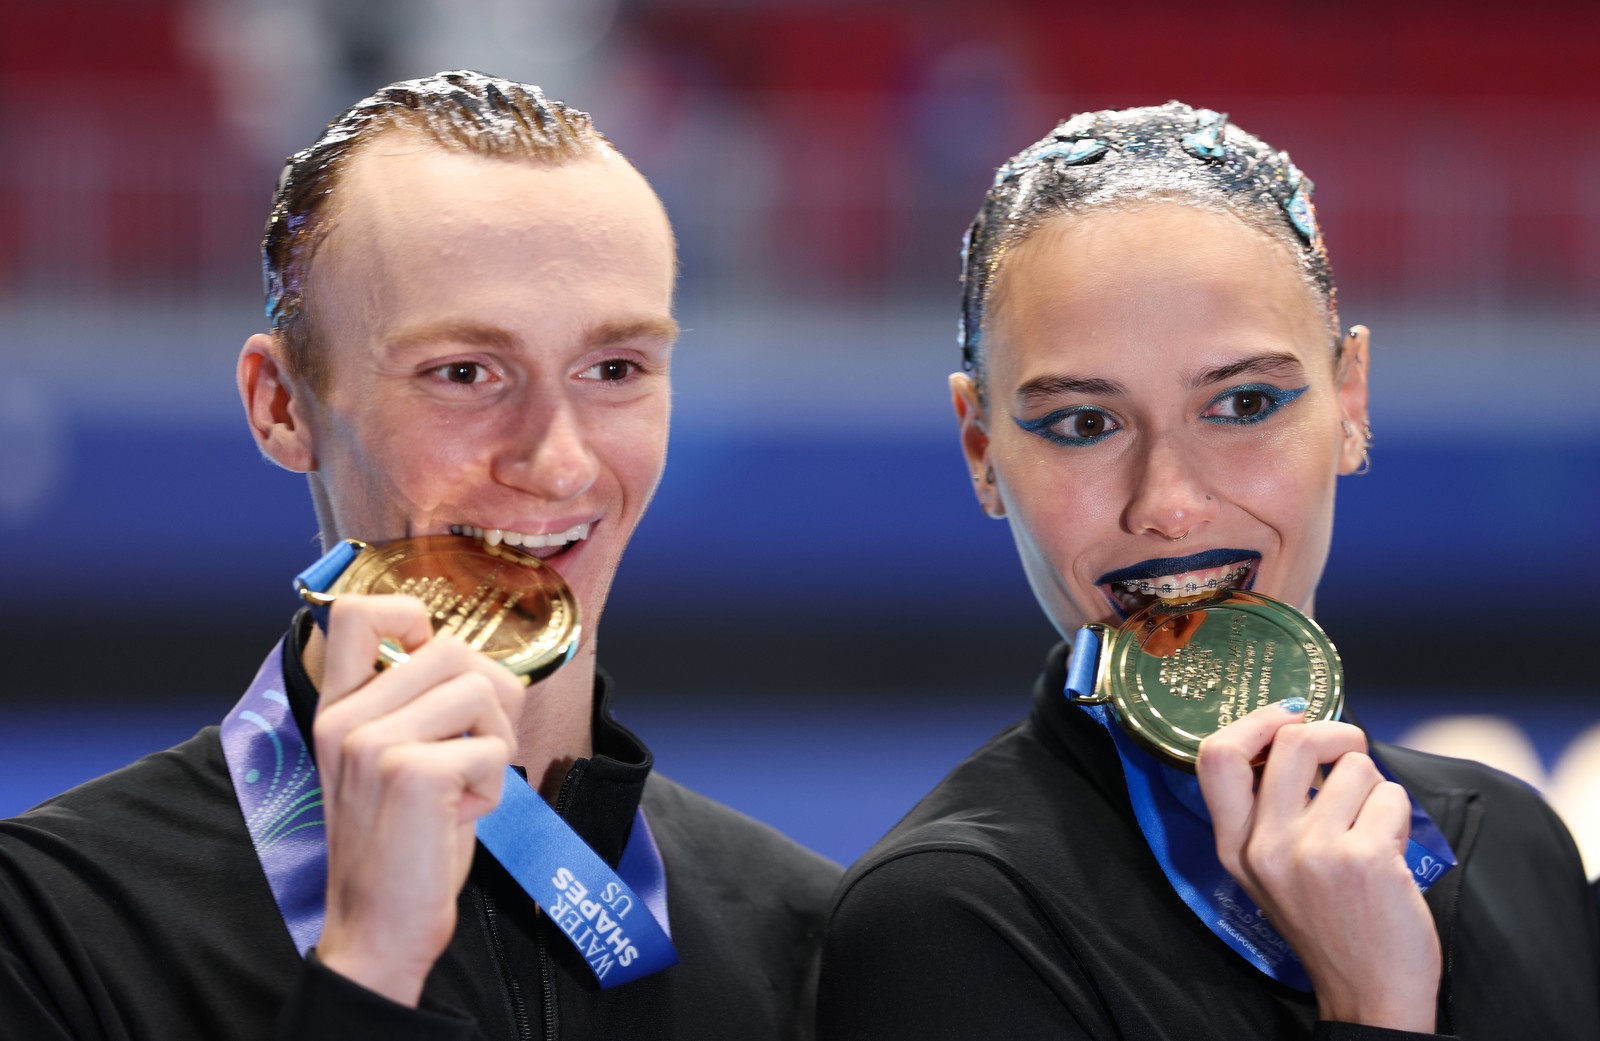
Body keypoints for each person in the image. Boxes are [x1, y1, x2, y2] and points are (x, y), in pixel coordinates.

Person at [0, 70, 838, 1040]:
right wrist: (367, 973)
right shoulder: (52, 929)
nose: (557, 461)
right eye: (463, 372)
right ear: (282, 405)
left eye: (614, 370)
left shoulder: (802, 934)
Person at [816, 102, 1600, 1039]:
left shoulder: (1518, 842)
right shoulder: (945, 924)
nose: (1170, 502)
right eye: (1084, 423)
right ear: (981, 447)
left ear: (1349, 402)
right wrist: (1372, 1009)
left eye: (1243, 402)